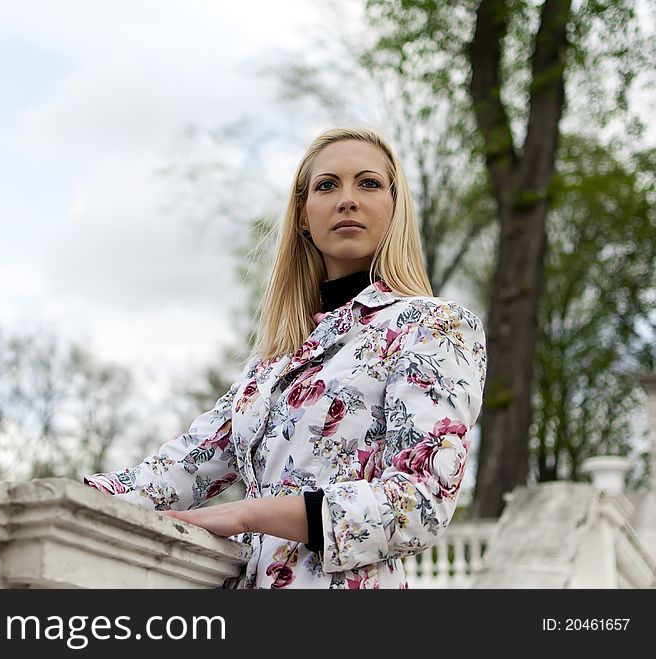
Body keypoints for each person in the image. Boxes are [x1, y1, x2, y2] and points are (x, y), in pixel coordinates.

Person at [84, 127, 487, 589]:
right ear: (302, 216)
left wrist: (252, 513)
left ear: (395, 208)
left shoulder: (433, 325)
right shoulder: (272, 364)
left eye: (369, 183)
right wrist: (73, 498)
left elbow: (420, 503)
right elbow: (180, 468)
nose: (347, 199)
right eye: (327, 185)